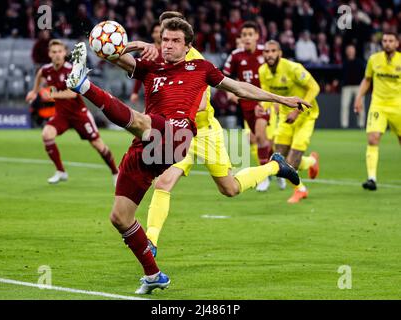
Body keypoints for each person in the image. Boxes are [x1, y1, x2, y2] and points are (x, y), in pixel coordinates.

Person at [66, 18, 311, 294]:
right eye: (164, 40)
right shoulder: (151, 65)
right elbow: (110, 53)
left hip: (178, 136)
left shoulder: (201, 67)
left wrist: (282, 99)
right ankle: (153, 274)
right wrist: (138, 44)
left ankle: (83, 87)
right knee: (120, 217)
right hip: (147, 143)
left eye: (174, 41)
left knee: (141, 122)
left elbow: (240, 88)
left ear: (188, 46)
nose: (168, 45)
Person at [25, 39, 119, 185]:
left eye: (60, 52)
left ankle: (115, 172)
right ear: (49, 54)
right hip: (61, 115)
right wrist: (34, 91)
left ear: (65, 53)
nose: (57, 55)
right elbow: (39, 76)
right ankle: (61, 172)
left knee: (98, 145)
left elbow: (73, 94)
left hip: (79, 115)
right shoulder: (46, 70)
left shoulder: (71, 70)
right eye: (54, 52)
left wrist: (50, 94)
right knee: (46, 134)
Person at [259, 40, 320, 204]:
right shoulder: (263, 71)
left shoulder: (294, 68)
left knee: (292, 162)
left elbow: (314, 87)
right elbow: (266, 94)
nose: (269, 54)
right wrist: (262, 107)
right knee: (279, 160)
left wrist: (297, 110)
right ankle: (312, 162)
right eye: (266, 51)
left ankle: (300, 190)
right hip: (285, 119)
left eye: (273, 51)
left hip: (305, 116)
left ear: (280, 53)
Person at [223, 21, 274, 192]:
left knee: (259, 136)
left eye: (250, 34)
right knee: (260, 140)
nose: (247, 38)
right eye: (244, 35)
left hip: (263, 100)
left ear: (257, 36)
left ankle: (264, 176)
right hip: (246, 103)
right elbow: (224, 77)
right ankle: (277, 166)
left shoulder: (265, 53)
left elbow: (277, 71)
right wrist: (230, 93)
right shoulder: (236, 55)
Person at [354, 32, 401, 191]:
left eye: (390, 41)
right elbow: (367, 79)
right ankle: (371, 178)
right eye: (385, 40)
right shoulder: (374, 59)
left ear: (396, 43)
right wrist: (359, 97)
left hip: (398, 105)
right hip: (378, 105)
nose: (387, 43)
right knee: (373, 139)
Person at [129, 22, 162, 104]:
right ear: (152, 34)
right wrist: (135, 92)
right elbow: (141, 71)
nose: (159, 34)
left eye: (161, 32)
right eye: (156, 32)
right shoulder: (148, 50)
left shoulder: (170, 51)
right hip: (151, 93)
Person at [341, 44, 366, 128]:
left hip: (358, 87)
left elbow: (365, 76)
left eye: (352, 50)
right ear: (346, 52)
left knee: (360, 106)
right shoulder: (344, 62)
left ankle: (361, 124)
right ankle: (344, 125)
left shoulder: (359, 62)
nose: (351, 52)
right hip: (346, 87)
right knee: (345, 106)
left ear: (355, 51)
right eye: (349, 50)